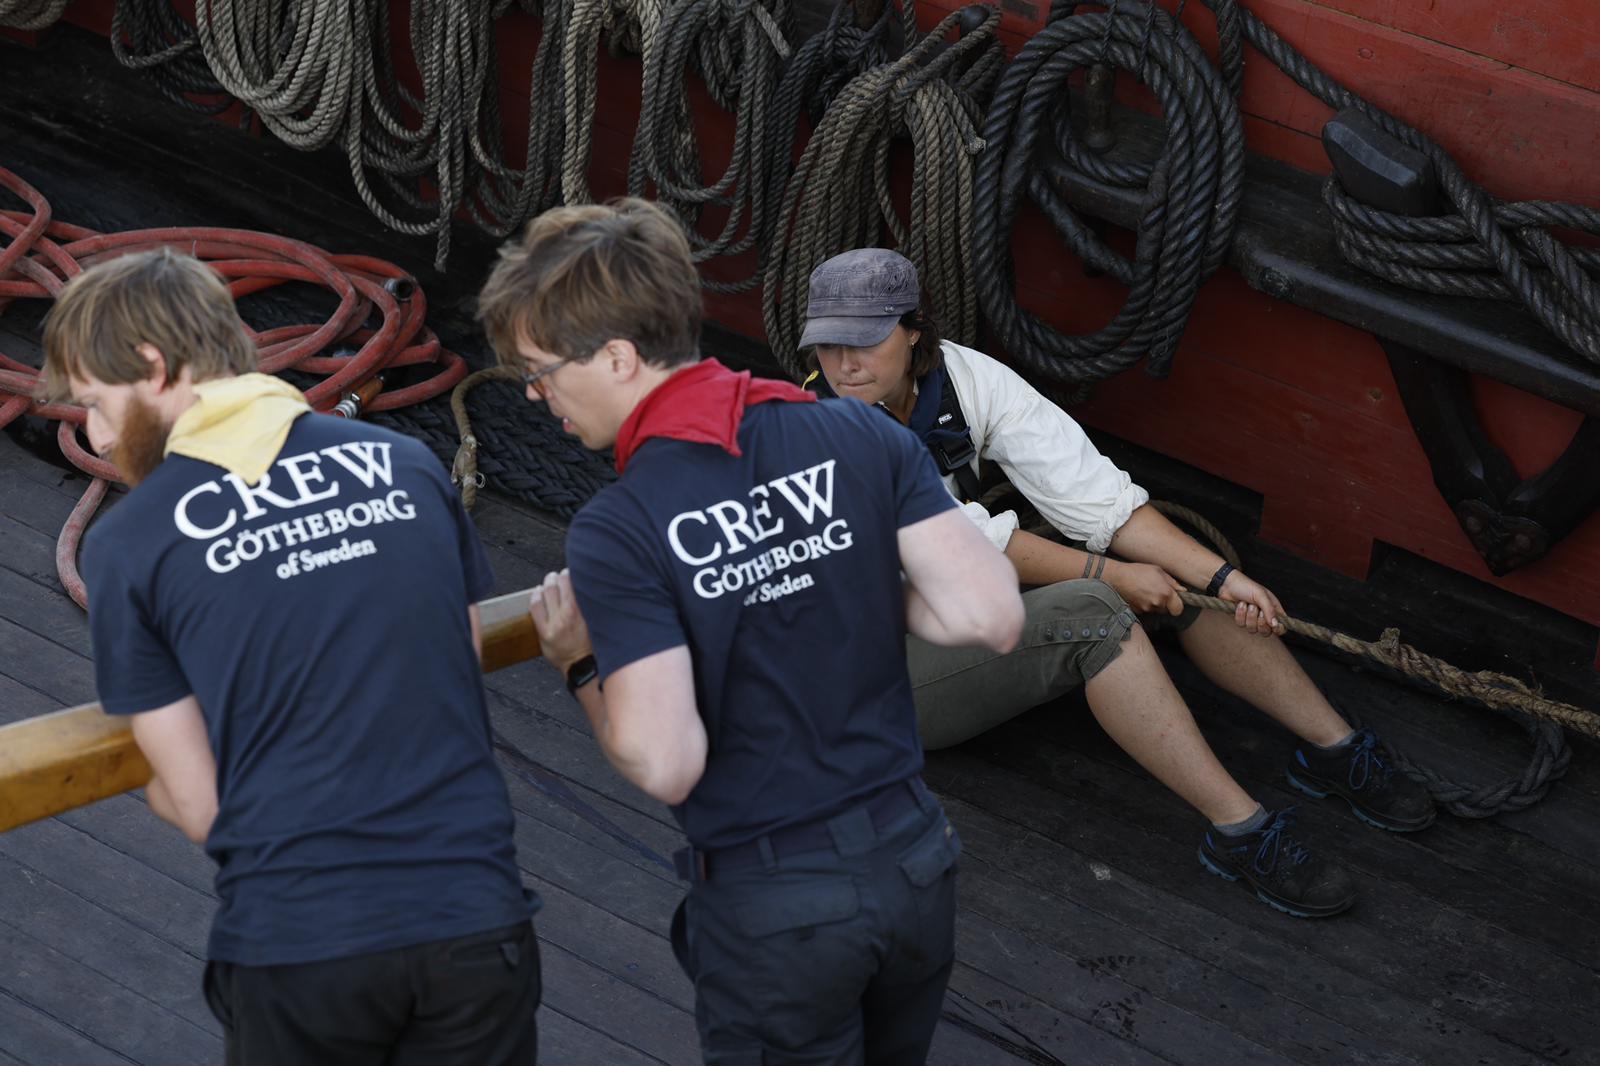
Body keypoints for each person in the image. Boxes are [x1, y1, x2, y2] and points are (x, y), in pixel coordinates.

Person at [476, 198, 1025, 1064]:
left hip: (781, 911)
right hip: (915, 866)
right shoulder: (855, 432)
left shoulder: (621, 529)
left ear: (618, 357)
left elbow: (667, 762)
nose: (537, 396)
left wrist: (581, 663)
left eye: (541, 371)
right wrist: (829, 567)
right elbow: (988, 615)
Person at [797, 248, 1438, 919]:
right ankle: (1240, 833)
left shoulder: (961, 379)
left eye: (865, 341)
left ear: (914, 331)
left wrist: (1220, 577)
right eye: (831, 344)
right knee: (1102, 609)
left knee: (1178, 576)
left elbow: (1096, 498)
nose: (845, 364)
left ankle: (1334, 749)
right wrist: (1116, 577)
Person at [41, 248, 541, 1065]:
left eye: (96, 404)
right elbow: (454, 679)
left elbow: (201, 806)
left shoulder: (131, 543)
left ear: (152, 366)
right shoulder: (411, 469)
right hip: (476, 923)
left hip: (305, 944)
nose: (95, 434)